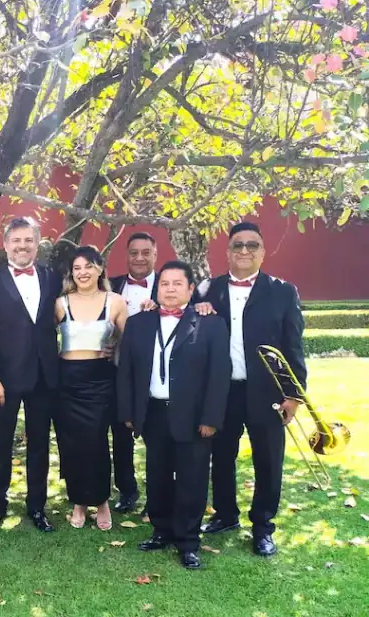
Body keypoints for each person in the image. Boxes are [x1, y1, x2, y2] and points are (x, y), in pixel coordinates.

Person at [195, 221, 306, 557]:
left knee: (269, 461)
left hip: (267, 393)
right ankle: (226, 515)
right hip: (221, 392)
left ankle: (263, 527)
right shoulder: (206, 290)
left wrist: (294, 395)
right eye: (238, 245)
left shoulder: (283, 291)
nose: (245, 251)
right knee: (221, 456)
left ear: (263, 251)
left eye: (252, 245)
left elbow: (293, 345)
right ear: (227, 251)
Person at [118, 261, 230, 569]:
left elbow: (219, 375)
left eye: (177, 283)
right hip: (153, 412)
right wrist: (129, 412)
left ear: (190, 289)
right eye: (164, 283)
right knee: (157, 475)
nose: (169, 289)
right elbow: (126, 371)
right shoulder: (139, 323)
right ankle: (161, 530)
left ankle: (188, 541)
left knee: (192, 479)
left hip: (194, 416)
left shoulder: (210, 324)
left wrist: (211, 418)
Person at [0, 217, 62, 533]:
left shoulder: (53, 278)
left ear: (37, 244)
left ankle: (37, 508)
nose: (22, 246)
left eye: (28, 240)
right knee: (1, 444)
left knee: (40, 444)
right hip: (4, 380)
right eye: (16, 241)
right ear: (6, 244)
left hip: (43, 377)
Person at [53, 246, 128, 531]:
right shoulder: (61, 303)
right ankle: (78, 501)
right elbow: (40, 338)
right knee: (71, 444)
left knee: (96, 443)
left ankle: (101, 501)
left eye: (88, 266)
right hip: (67, 381)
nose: (82, 272)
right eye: (77, 268)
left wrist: (115, 347)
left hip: (100, 380)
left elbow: (133, 341)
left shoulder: (116, 302)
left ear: (100, 268)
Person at [107, 232, 160, 513]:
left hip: (154, 378)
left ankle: (158, 493)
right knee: (120, 436)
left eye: (145, 252)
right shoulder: (111, 285)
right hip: (115, 373)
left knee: (155, 437)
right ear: (126, 255)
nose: (139, 258)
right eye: (134, 252)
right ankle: (126, 490)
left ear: (155, 255)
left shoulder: (169, 286)